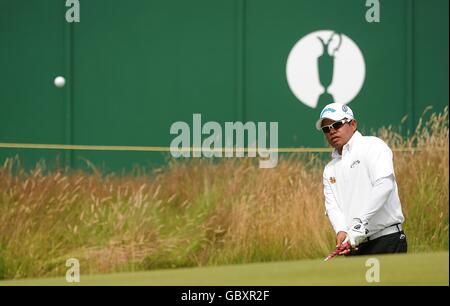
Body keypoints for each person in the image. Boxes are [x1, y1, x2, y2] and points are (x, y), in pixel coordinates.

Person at [316, 102, 407, 256]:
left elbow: (384, 185)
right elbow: (332, 206)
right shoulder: (330, 168)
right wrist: (341, 230)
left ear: (353, 124)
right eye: (326, 129)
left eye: (337, 125)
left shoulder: (373, 146)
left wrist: (360, 223)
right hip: (354, 246)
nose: (331, 131)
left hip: (386, 240)